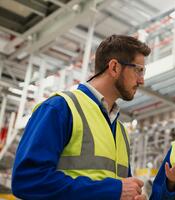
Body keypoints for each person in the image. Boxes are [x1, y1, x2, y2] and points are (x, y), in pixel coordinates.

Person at [12, 35, 151, 200]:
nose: (142, 80)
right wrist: (111, 190)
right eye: (138, 70)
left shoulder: (120, 130)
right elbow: (27, 180)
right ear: (114, 67)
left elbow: (121, 190)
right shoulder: (60, 108)